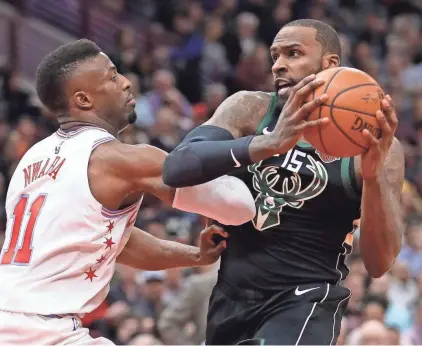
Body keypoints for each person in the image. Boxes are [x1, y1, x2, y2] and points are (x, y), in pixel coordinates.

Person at [163, 19, 405, 345]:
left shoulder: (374, 142)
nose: (279, 65)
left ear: (329, 64)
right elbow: (175, 168)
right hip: (231, 295)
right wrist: (268, 144)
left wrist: (373, 179)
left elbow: (380, 263)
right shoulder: (249, 109)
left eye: (293, 54)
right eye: (275, 56)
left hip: (307, 298)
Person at [0, 39, 257, 344]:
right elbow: (238, 205)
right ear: (83, 100)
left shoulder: (33, 157)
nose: (125, 82)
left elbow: (117, 241)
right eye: (111, 76)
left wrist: (197, 256)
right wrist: (225, 137)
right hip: (42, 332)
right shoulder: (121, 159)